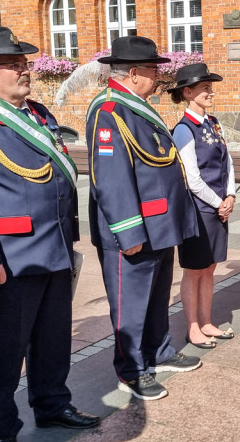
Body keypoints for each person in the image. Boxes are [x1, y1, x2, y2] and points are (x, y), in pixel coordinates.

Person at [0, 26, 99, 442]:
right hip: (9, 257)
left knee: (53, 339)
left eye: (24, 63)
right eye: (12, 65)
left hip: (53, 248)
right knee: (5, 350)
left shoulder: (40, 115)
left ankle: (52, 404)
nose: (23, 71)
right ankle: (2, 423)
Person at [86, 35, 201, 401]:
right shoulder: (109, 112)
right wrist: (128, 230)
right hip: (135, 227)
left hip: (159, 223)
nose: (158, 76)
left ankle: (159, 350)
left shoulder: (135, 105)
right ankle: (132, 369)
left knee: (155, 297)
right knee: (131, 303)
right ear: (134, 73)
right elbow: (112, 177)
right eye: (153, 70)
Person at [168, 63, 237, 348]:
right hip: (198, 211)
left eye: (210, 87)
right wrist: (219, 201)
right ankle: (193, 327)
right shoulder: (184, 130)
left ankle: (207, 321)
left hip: (218, 208)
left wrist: (230, 194)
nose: (210, 92)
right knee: (194, 269)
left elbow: (228, 160)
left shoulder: (213, 123)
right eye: (204, 88)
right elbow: (191, 178)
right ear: (188, 92)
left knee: (209, 268)